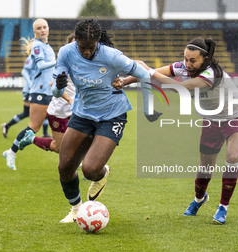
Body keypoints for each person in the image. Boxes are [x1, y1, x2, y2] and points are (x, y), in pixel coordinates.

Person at [115, 38, 238, 224]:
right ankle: (199, 199)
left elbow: (179, 87)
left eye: (193, 60)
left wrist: (149, 70)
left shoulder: (211, 74)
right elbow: (146, 72)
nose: (188, 64)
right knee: (205, 167)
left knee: (232, 157)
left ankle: (223, 207)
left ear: (204, 59)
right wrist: (125, 81)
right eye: (186, 59)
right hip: (212, 120)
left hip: (237, 117)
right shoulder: (182, 67)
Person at [51, 19, 160, 223]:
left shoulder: (111, 56)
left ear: (98, 42)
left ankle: (101, 174)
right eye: (82, 48)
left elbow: (144, 74)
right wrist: (58, 86)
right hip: (83, 114)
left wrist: (148, 109)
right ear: (76, 42)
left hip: (112, 115)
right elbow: (56, 91)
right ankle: (76, 209)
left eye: (91, 48)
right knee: (65, 167)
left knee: (90, 169)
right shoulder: (66, 52)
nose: (86, 52)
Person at [3, 18, 56, 170]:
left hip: (50, 91)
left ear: (48, 28)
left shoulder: (47, 46)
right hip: (39, 91)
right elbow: (41, 66)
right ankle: (12, 152)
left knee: (64, 124)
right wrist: (59, 61)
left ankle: (73, 159)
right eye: (39, 28)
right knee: (33, 127)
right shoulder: (37, 46)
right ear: (34, 31)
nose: (42, 30)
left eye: (44, 27)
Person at [19, 33, 76, 154]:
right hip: (60, 112)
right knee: (59, 148)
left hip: (75, 111)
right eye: (73, 44)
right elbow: (53, 84)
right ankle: (32, 139)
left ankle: (86, 167)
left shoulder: (84, 62)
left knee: (82, 141)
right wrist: (69, 99)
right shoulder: (63, 63)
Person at [1, 54, 51, 139]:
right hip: (29, 90)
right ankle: (7, 126)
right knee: (26, 113)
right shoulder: (31, 58)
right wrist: (31, 83)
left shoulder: (43, 59)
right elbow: (24, 71)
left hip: (39, 90)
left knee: (45, 111)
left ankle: (45, 133)